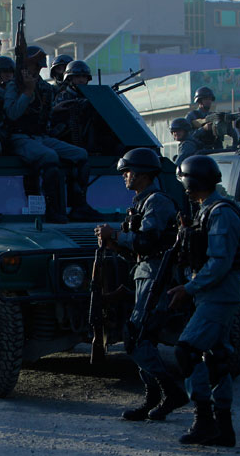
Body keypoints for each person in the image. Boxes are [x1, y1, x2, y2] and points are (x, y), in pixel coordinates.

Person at [94, 148, 188, 423]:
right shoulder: (142, 201)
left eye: (128, 171)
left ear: (144, 174)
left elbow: (147, 241)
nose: (125, 176)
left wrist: (117, 235)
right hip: (145, 272)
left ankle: (170, 392)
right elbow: (137, 248)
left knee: (136, 337)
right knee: (141, 337)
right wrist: (114, 242)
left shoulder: (157, 202)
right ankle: (153, 398)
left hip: (156, 276)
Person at [168, 155, 240, 447]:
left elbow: (220, 263)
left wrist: (188, 288)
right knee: (217, 358)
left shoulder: (221, 212)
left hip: (219, 293)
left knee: (187, 351)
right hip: (212, 292)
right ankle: (223, 429)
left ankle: (205, 421)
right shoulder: (205, 210)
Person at [4, 47, 100, 223]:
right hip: (19, 137)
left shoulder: (46, 88)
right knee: (49, 157)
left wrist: (56, 114)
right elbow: (12, 114)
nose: (33, 70)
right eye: (31, 66)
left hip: (41, 136)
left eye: (35, 66)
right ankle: (52, 209)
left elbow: (46, 117)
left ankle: (79, 205)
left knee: (80, 155)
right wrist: (27, 92)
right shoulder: (14, 86)